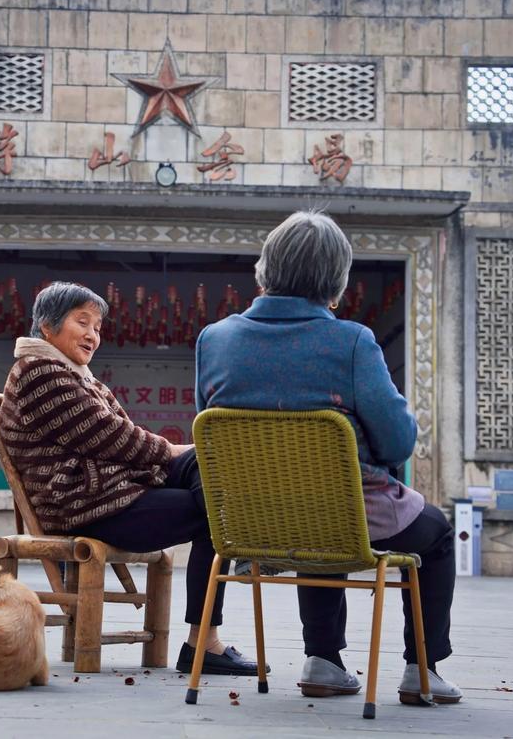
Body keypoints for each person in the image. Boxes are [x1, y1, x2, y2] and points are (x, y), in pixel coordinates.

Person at [194, 210, 461, 705]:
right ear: (335, 281)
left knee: (311, 515)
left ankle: (323, 660)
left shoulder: (215, 340)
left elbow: (212, 431)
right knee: (436, 532)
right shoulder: (353, 342)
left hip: (254, 520)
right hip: (350, 513)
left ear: (265, 268)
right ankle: (421, 668)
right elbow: (398, 443)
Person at [0, 281, 261, 676]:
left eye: (98, 327)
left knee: (208, 467)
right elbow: (115, 437)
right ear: (47, 327)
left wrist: (187, 454)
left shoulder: (74, 374)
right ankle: (206, 637)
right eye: (81, 321)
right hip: (84, 503)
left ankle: (237, 551)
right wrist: (176, 450)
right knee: (212, 507)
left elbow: (120, 438)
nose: (92, 334)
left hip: (113, 491)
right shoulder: (39, 372)